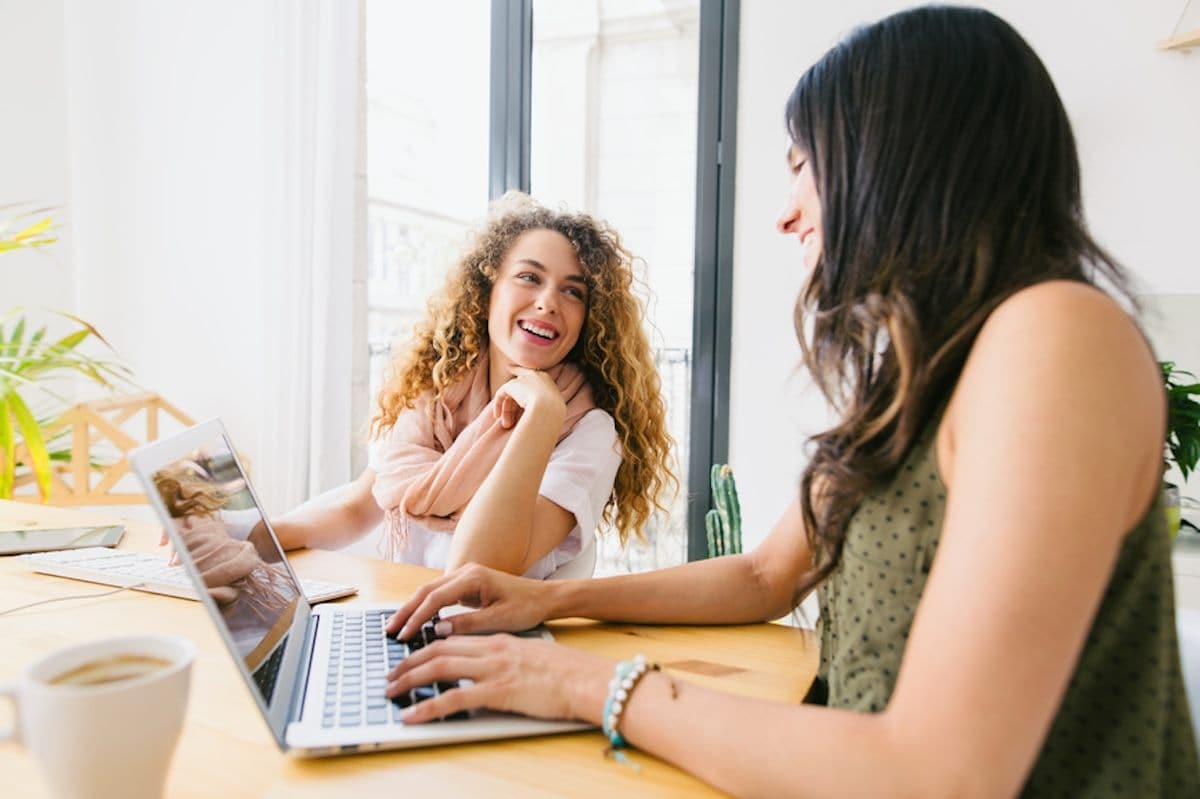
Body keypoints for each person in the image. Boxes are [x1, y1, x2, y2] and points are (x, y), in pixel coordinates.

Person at [379, 7, 1200, 796]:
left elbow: (938, 774)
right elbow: (767, 572)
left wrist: (580, 682)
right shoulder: (923, 373)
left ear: (896, 161)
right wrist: (548, 600)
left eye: (803, 168)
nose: (785, 212)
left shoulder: (1056, 336)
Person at [272, 193, 675, 579]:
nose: (548, 302)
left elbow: (477, 569)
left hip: (489, 643)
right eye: (529, 277)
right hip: (397, 616)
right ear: (487, 294)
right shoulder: (435, 396)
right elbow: (354, 511)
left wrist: (542, 416)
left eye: (573, 291)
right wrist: (248, 543)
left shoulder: (591, 433)